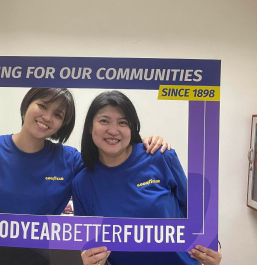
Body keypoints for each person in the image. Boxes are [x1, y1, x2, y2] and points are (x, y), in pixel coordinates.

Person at [0, 87, 171, 265]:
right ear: (27, 104)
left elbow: (114, 167)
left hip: (40, 258)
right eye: (43, 106)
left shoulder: (71, 160)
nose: (47, 117)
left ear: (63, 124)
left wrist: (143, 147)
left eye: (58, 115)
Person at [72, 90, 222, 265]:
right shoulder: (81, 183)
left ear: (132, 127)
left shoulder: (160, 157)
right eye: (104, 121)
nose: (113, 130)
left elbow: (196, 210)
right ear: (90, 127)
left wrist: (213, 243)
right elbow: (88, 243)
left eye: (123, 122)